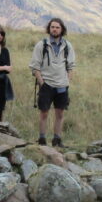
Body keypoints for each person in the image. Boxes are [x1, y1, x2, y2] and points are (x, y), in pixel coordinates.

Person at [29, 17, 76, 147]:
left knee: (60, 114)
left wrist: (67, 81)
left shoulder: (67, 46)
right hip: (47, 85)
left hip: (62, 86)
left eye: (57, 27)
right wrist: (41, 82)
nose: (54, 29)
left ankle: (57, 140)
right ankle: (42, 140)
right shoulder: (42, 45)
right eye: (52, 27)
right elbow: (34, 66)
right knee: (44, 112)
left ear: (62, 30)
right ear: (49, 29)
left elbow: (71, 66)